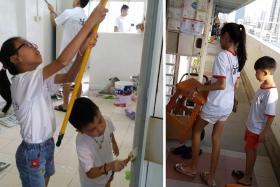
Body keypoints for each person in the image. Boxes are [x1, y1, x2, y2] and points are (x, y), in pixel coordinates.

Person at [0, 4, 107, 187]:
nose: (35, 47)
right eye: (28, 45)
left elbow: (69, 76)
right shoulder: (22, 82)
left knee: (45, 179)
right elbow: (62, 61)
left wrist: (82, 52)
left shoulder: (38, 79)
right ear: (15, 58)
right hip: (32, 152)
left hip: (46, 145)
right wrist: (90, 22)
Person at [174, 23, 247, 187]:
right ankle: (210, 176)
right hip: (226, 105)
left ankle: (193, 168)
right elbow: (233, 83)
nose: (220, 39)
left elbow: (221, 84)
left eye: (221, 36)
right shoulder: (235, 57)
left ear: (227, 37)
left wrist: (201, 87)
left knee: (196, 130)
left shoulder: (222, 56)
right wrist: (234, 100)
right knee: (216, 138)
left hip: (216, 104)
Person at [233, 56, 278, 186]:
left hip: (257, 129)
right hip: (251, 125)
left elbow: (271, 115)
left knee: (250, 150)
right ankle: (247, 172)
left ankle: (247, 178)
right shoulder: (263, 85)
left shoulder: (271, 93)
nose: (255, 74)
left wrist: (264, 132)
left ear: (265, 73)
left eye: (257, 72)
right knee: (249, 150)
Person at [69, 97, 128, 187]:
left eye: (100, 121)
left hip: (108, 168)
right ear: (80, 131)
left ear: (99, 110)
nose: (100, 129)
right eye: (92, 129)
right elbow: (90, 173)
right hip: (93, 182)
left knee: (108, 181)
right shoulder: (82, 144)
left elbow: (110, 133)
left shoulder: (106, 120)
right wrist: (110, 166)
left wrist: (114, 144)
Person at [47, 0, 90, 112]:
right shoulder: (86, 17)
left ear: (77, 1)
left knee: (66, 79)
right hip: (81, 53)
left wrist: (51, 12)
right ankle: (77, 104)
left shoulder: (69, 12)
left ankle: (65, 105)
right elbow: (63, 21)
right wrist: (55, 12)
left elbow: (53, 23)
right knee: (78, 78)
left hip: (68, 53)